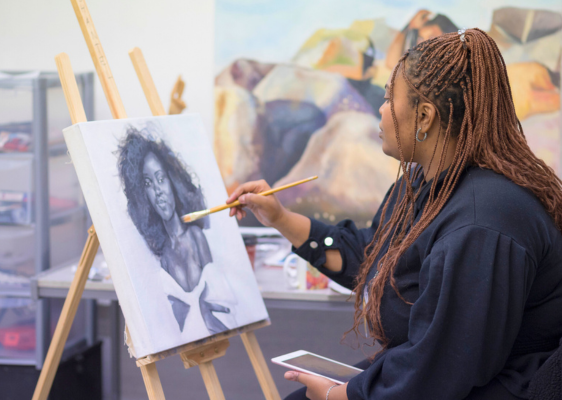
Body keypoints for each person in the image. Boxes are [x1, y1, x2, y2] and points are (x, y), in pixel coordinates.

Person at [226, 29, 562, 400]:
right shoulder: (424, 184)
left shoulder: (481, 222)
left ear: (425, 116)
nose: (381, 109)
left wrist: (341, 396)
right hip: (428, 374)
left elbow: (442, 368)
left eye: (389, 98)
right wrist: (279, 218)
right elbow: (374, 258)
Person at [117, 127, 232, 334]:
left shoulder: (196, 237)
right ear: (142, 195)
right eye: (148, 183)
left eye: (161, 179)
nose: (158, 191)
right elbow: (162, 324)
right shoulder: (155, 253)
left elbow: (225, 305)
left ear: (173, 182)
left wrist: (206, 309)